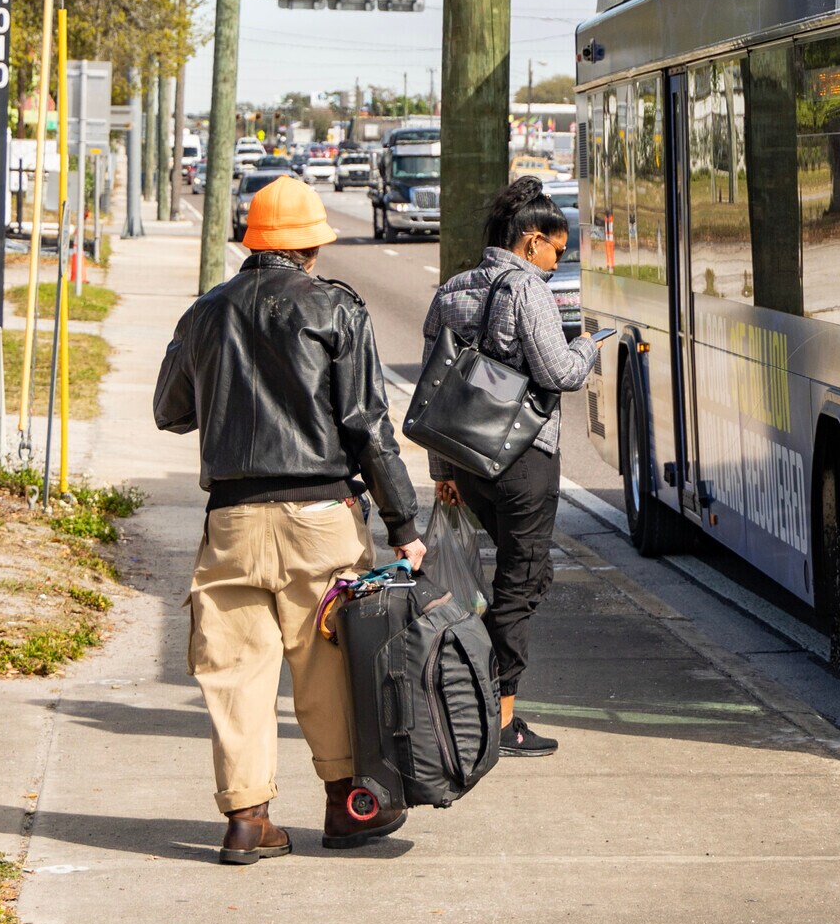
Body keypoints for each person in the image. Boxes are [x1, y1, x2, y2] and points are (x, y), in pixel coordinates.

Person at [153, 176, 425, 865]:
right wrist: (404, 524)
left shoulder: (205, 312)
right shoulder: (335, 308)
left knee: (234, 671)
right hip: (319, 513)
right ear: (308, 246)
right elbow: (368, 426)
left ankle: (248, 821)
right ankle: (347, 803)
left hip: (233, 520)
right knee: (327, 661)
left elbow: (170, 410)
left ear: (253, 243)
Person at [423, 176, 596, 759]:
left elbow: (435, 392)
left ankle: (476, 687)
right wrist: (590, 346)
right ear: (529, 242)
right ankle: (497, 720)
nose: (557, 261)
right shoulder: (529, 291)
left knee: (522, 578)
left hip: (469, 466)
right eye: (556, 249)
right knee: (519, 587)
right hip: (524, 462)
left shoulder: (450, 291)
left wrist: (442, 470)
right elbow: (559, 372)